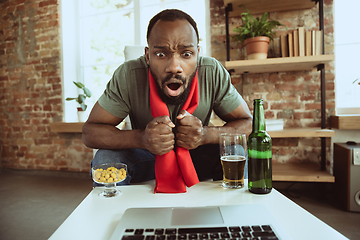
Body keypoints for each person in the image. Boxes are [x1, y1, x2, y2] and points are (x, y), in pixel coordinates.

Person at [82, 9, 252, 187]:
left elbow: (248, 123)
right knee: (106, 158)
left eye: (186, 54)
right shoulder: (129, 75)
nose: (174, 67)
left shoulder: (211, 71)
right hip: (147, 155)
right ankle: (114, 214)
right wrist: (142, 138)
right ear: (148, 56)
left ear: (197, 54)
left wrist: (204, 134)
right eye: (161, 54)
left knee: (235, 150)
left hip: (196, 155)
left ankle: (232, 211)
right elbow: (90, 132)